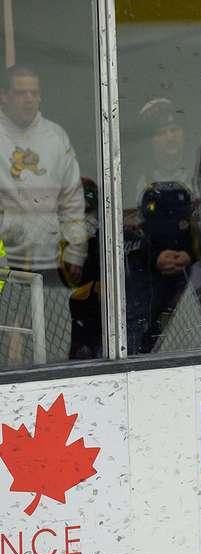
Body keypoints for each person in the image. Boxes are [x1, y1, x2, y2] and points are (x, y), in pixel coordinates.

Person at [0, 63, 87, 364]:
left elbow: (73, 199)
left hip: (50, 264)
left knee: (53, 349)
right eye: (20, 92)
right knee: (5, 353)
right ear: (4, 97)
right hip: (4, 267)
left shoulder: (55, 137)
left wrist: (75, 251)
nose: (28, 99)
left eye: (33, 93)